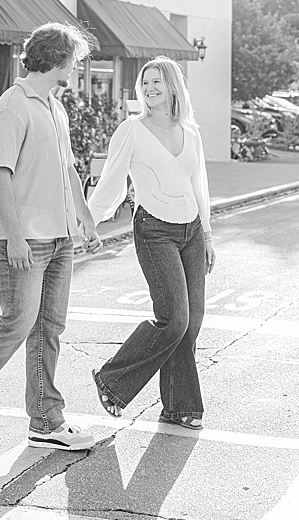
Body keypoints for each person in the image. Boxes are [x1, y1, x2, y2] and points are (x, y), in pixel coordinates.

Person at [0, 22, 102, 452]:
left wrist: (84, 218)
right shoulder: (13, 106)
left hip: (60, 236)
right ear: (60, 59)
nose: (75, 68)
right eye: (74, 60)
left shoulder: (53, 106)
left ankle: (46, 421)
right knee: (16, 322)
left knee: (48, 328)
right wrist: (13, 237)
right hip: (25, 240)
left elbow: (67, 168)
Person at [86, 57, 215, 430]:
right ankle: (113, 380)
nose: (150, 89)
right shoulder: (132, 129)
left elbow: (199, 187)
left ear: (173, 86)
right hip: (154, 229)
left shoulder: (190, 132)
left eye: (157, 82)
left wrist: (206, 234)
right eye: (146, 84)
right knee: (174, 320)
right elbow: (110, 182)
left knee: (191, 324)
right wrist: (89, 223)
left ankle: (178, 406)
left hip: (191, 230)